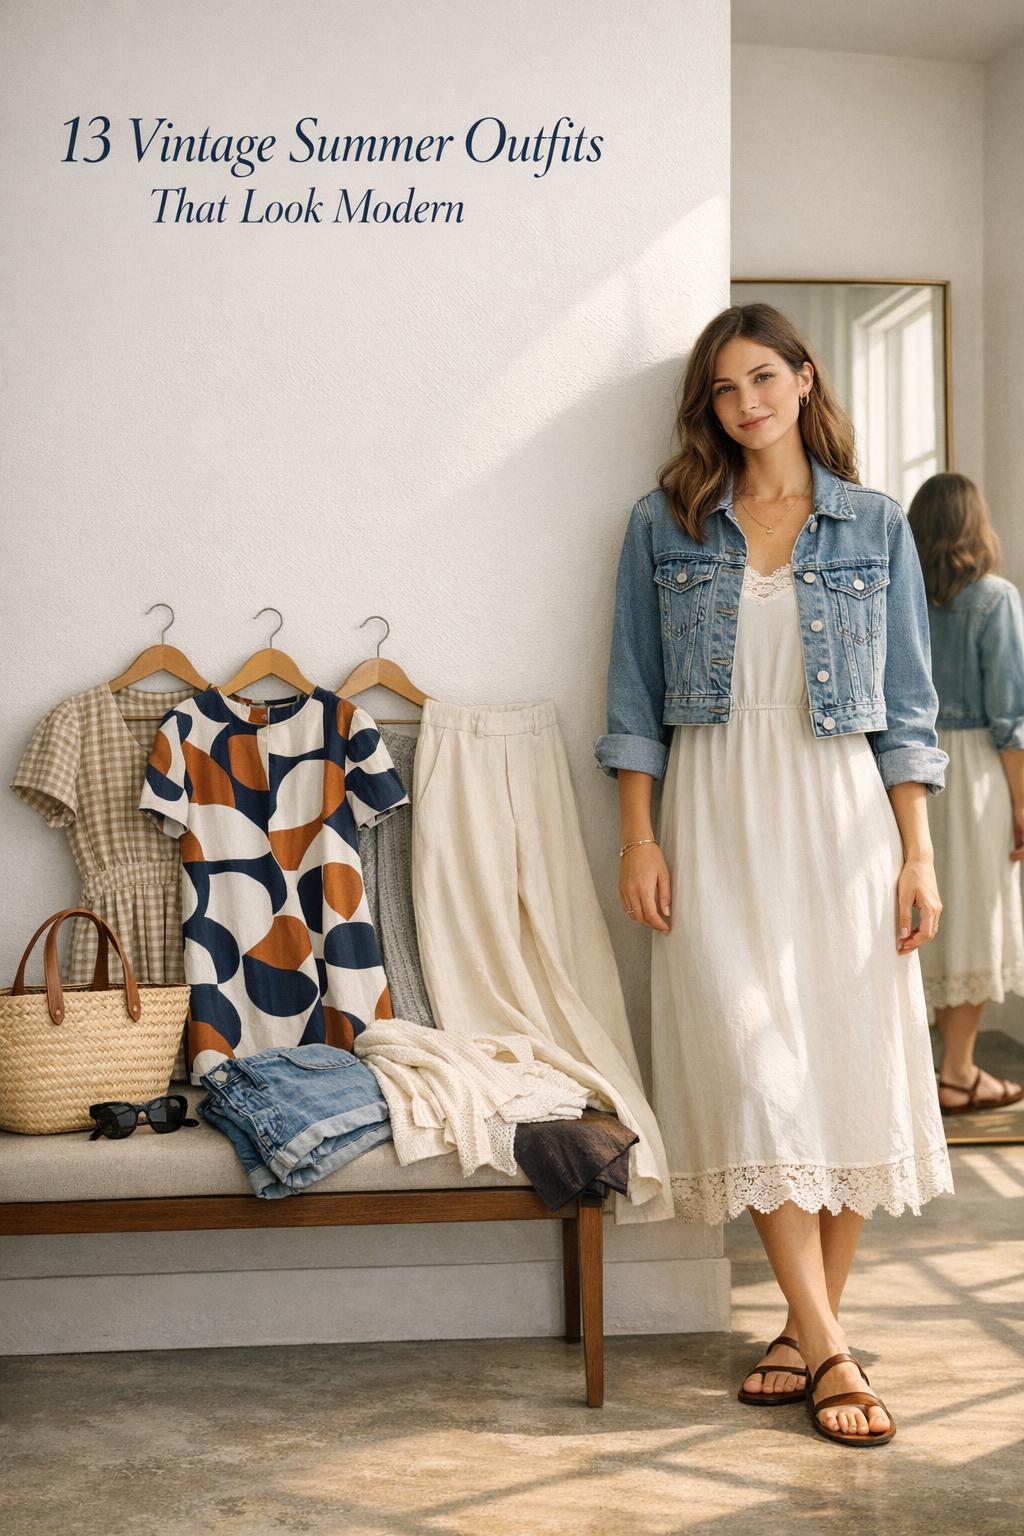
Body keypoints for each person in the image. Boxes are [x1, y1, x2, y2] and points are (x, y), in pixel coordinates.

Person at [594, 302, 954, 1448]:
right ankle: (831, 1344)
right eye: (722, 390)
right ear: (708, 407)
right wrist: (637, 836)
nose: (744, 404)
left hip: (839, 816)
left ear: (803, 380)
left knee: (843, 1068)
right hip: (713, 809)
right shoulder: (664, 523)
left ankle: (807, 1333)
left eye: (762, 379)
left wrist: (918, 853)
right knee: (755, 1070)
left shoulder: (874, 525)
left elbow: (906, 710)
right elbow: (632, 699)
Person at [907, 473, 1024, 1113]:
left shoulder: (901, 598)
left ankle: (918, 1076)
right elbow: (1012, 717)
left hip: (910, 774)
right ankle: (957, 1072)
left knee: (915, 920)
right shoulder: (995, 599)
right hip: (976, 774)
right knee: (973, 922)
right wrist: (1022, 804)